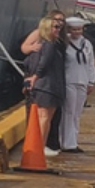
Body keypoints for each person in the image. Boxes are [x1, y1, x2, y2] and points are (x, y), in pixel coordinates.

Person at [24, 16, 66, 159]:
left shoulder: (40, 46)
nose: (59, 30)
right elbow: (44, 63)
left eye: (59, 27)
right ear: (47, 28)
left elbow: (29, 63)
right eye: (56, 27)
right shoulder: (49, 45)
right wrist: (36, 77)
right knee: (44, 118)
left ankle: (39, 146)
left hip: (45, 86)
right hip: (48, 86)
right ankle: (39, 147)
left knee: (44, 118)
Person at [59, 17, 95, 153]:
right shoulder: (64, 43)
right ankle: (67, 143)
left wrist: (91, 81)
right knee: (68, 112)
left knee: (77, 113)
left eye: (79, 29)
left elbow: (91, 64)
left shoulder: (86, 44)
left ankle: (73, 141)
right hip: (69, 80)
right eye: (74, 29)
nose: (77, 32)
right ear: (68, 30)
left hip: (83, 80)